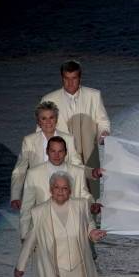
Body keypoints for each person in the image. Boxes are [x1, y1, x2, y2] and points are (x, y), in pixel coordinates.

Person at [41, 60, 110, 199]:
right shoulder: (49, 99)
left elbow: (102, 120)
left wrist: (104, 133)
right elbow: (41, 129)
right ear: (62, 78)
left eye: (74, 78)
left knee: (92, 192)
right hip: (63, 154)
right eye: (66, 79)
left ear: (80, 78)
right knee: (66, 192)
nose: (70, 83)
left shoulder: (94, 95)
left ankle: (93, 219)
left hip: (89, 152)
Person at [10, 101, 86, 210]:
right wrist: (15, 196)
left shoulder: (68, 139)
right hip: (39, 196)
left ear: (56, 119)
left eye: (51, 117)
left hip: (63, 195)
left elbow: (77, 166)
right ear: (38, 121)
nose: (48, 122)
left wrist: (91, 173)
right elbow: (20, 170)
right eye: (44, 118)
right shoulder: (29, 141)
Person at [20, 137, 99, 240]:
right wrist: (25, 235)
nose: (56, 155)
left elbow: (84, 195)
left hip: (71, 231)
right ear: (47, 152)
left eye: (60, 151)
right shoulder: (33, 174)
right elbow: (26, 207)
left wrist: (91, 204)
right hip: (44, 233)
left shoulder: (78, 172)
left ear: (66, 152)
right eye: (53, 151)